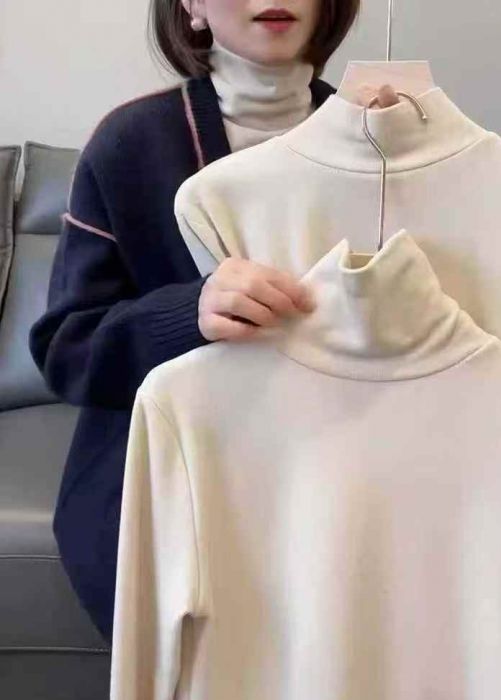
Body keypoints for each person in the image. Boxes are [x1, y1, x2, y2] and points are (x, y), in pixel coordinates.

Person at [29, 0, 366, 645]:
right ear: (192, 6)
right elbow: (67, 349)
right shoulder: (129, 143)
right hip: (172, 456)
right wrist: (190, 313)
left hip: (339, 450)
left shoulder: (375, 133)